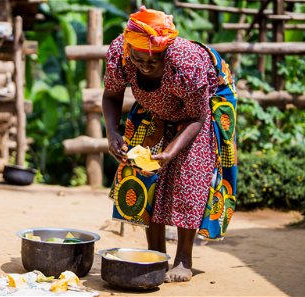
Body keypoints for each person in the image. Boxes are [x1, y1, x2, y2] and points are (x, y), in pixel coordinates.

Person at [103, 6, 238, 283]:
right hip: (155, 105)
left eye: (154, 61)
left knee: (189, 177)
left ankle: (183, 259)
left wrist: (170, 152)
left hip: (201, 108)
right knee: (145, 174)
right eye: (139, 60)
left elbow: (196, 117)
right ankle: (156, 256)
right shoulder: (120, 52)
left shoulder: (187, 63)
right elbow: (112, 96)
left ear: (167, 52)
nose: (145, 66)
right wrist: (112, 133)